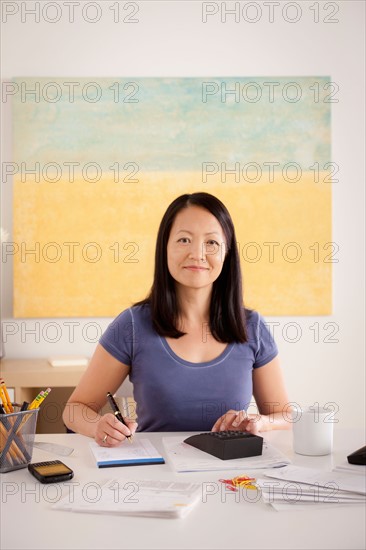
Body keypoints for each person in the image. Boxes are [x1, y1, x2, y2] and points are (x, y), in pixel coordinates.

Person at [63, 192, 290, 447]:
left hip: (230, 477)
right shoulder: (132, 326)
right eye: (184, 240)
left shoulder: (253, 327)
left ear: (227, 253)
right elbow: (74, 410)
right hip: (157, 477)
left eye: (212, 243)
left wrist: (260, 422)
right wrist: (98, 425)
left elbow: (285, 416)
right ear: (165, 248)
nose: (197, 254)